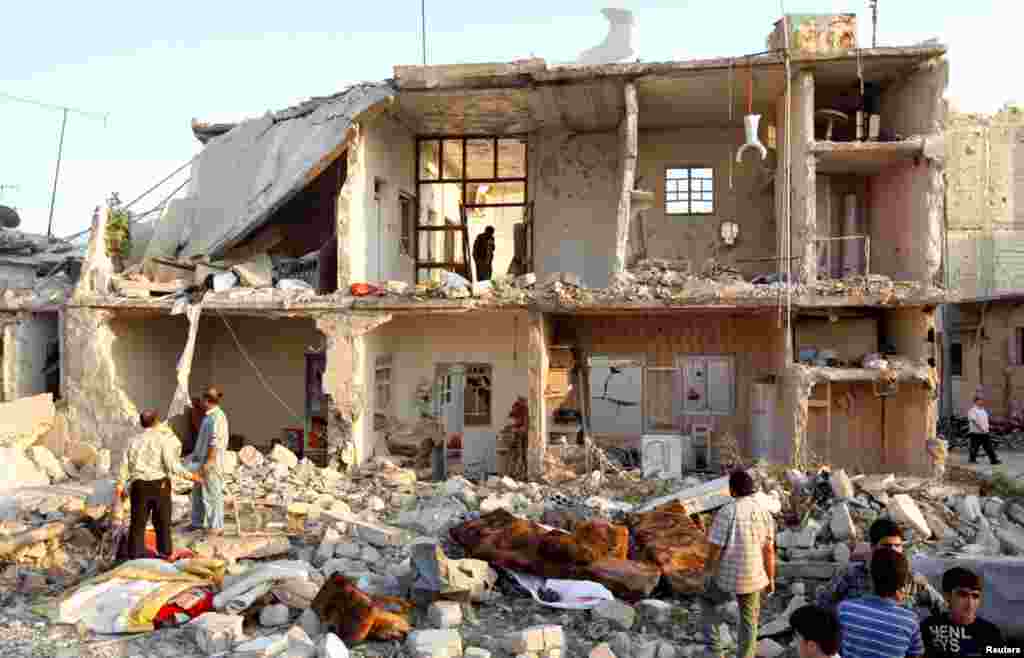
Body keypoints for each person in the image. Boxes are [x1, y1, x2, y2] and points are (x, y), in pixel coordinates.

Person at [700, 469, 776, 658]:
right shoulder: (764, 514)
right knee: (749, 620)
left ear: (732, 490)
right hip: (753, 578)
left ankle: (715, 651)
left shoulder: (727, 511)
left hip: (726, 577)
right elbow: (768, 550)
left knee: (707, 601)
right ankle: (746, 655)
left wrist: (707, 572)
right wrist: (771, 578)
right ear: (751, 490)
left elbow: (715, 547)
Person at [817, 518, 947, 618]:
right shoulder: (850, 574)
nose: (893, 551)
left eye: (897, 546)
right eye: (887, 546)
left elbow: (942, 608)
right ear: (873, 547)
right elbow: (823, 604)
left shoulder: (912, 579)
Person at [115, 410, 199, 559]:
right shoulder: (162, 440)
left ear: (142, 423)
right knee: (162, 522)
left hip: (139, 486)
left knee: (137, 523)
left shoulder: (132, 441)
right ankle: (165, 554)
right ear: (156, 422)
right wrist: (192, 476)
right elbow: (172, 465)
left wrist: (120, 485)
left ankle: (134, 556)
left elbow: (123, 466)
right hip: (159, 485)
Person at [837, 547, 924, 658]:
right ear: (903, 583)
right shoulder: (910, 620)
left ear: (870, 576)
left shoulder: (845, 609)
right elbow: (916, 655)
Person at [921, 567, 1003, 658]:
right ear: (947, 596)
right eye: (963, 595)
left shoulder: (990, 633)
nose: (970, 603)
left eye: (975, 596)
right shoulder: (928, 627)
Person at [187, 386, 229, 535]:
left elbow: (215, 441)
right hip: (201, 460)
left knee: (212, 494)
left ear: (206, 400)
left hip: (210, 462)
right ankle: (197, 521)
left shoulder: (217, 417)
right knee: (198, 493)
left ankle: (216, 526)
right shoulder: (208, 416)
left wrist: (210, 461)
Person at [967, 394, 1001, 465]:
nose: (982, 402)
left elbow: (985, 420)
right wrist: (981, 428)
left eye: (982, 400)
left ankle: (994, 460)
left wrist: (987, 427)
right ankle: (972, 459)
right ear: (976, 401)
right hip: (976, 433)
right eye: (980, 400)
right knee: (974, 447)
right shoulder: (972, 410)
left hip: (985, 432)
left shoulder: (983, 410)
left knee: (989, 447)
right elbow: (974, 421)